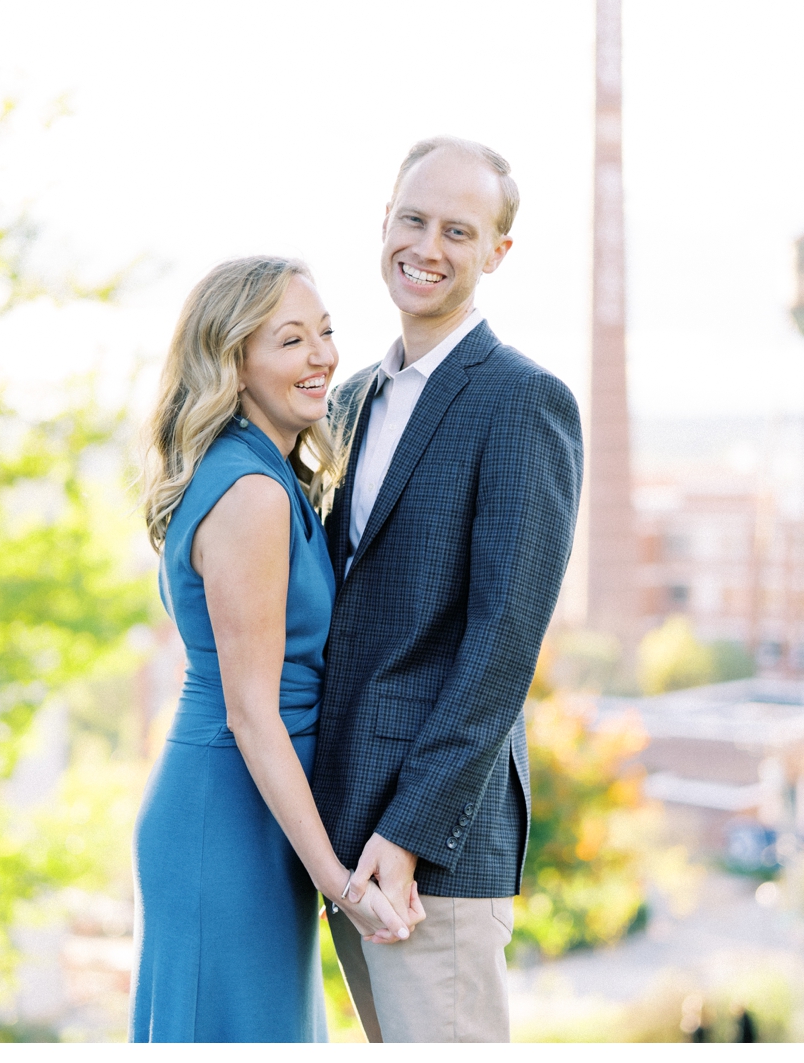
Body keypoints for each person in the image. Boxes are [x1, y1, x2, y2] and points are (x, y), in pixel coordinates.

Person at [313, 136, 584, 1042]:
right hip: (343, 831)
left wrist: (410, 832)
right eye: (413, 219)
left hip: (433, 849)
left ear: (496, 253)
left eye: (457, 231)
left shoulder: (522, 401)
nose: (427, 247)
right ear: (383, 223)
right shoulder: (346, 401)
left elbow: (503, 646)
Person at [130, 256, 419, 1043]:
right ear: (235, 363)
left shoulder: (271, 475)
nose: (322, 356)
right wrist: (337, 882)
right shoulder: (251, 495)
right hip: (226, 812)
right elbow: (253, 712)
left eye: (325, 332)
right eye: (291, 341)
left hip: (261, 812)